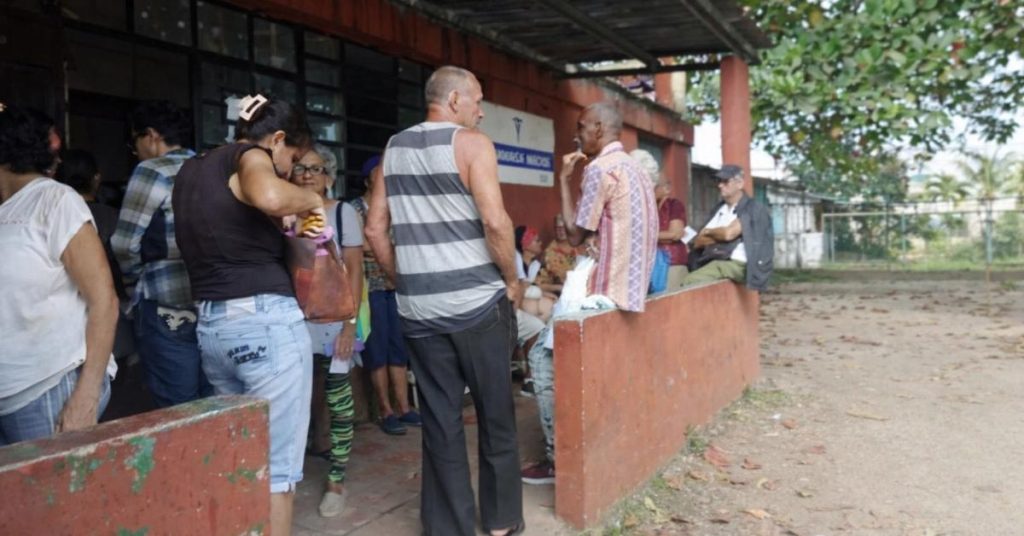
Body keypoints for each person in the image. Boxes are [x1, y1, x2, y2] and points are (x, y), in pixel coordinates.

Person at [365, 65, 523, 536]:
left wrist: (404, 278)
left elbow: (375, 228)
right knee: (496, 414)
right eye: (477, 100)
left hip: (419, 312)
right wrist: (512, 280)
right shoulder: (472, 145)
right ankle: (498, 523)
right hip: (478, 306)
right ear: (453, 100)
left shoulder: (392, 149)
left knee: (441, 422)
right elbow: (496, 224)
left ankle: (449, 527)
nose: (481, 110)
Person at [173, 95, 324, 536]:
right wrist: (312, 198)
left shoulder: (191, 171)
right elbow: (270, 194)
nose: (290, 170)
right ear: (276, 140)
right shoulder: (251, 157)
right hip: (266, 326)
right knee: (278, 471)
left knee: (242, 460)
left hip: (213, 328)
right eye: (291, 159)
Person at [521, 102, 658, 485]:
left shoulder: (599, 168)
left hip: (601, 286)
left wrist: (564, 179)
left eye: (581, 127)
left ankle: (556, 463)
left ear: (599, 128)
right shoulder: (636, 169)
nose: (577, 135)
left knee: (542, 361)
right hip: (631, 290)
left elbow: (577, 235)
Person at [0, 106, 117, 445]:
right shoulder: (8, 208)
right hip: (10, 391)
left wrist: (86, 395)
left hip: (48, 390)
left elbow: (104, 301)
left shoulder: (55, 200)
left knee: (55, 497)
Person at [111, 100, 209, 408]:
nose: (135, 150)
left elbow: (124, 243)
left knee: (176, 405)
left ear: (151, 135)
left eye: (134, 142)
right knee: (214, 402)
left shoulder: (152, 170)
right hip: (215, 302)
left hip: (166, 302)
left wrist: (133, 286)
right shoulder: (212, 167)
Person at [289, 144, 363, 518]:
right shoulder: (284, 214)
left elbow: (355, 269)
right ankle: (298, 464)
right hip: (293, 320)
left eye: (315, 169)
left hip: (335, 319)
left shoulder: (343, 212)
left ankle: (336, 479)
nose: (306, 174)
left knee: (338, 400)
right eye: (300, 168)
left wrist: (351, 324)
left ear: (329, 178)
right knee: (296, 397)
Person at [350, 155, 421, 436]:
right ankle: (385, 409)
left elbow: (386, 243)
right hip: (371, 290)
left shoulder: (395, 208)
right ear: (368, 177)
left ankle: (404, 407)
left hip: (395, 286)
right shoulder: (355, 207)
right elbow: (361, 244)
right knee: (377, 352)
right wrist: (385, 245)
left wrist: (380, 244)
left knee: (398, 351)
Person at [57, 150, 134, 359]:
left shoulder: (53, 217)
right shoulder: (111, 216)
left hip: (65, 314)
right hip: (113, 307)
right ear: (96, 178)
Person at [681, 164, 774, 290]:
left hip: (740, 264)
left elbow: (728, 234)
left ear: (740, 184)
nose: (720, 185)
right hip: (717, 260)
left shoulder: (752, 208)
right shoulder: (720, 208)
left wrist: (709, 232)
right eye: (719, 181)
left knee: (689, 281)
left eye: (725, 181)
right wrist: (718, 236)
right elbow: (698, 241)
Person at [630, 148, 689, 288]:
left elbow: (675, 234)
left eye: (655, 185)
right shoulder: (643, 205)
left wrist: (644, 235)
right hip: (649, 263)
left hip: (671, 263)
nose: (650, 187)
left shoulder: (674, 205)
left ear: (665, 189)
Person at [540, 214, 582, 288]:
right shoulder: (550, 251)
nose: (561, 231)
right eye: (558, 228)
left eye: (564, 228)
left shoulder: (579, 246)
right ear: (554, 229)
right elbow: (556, 278)